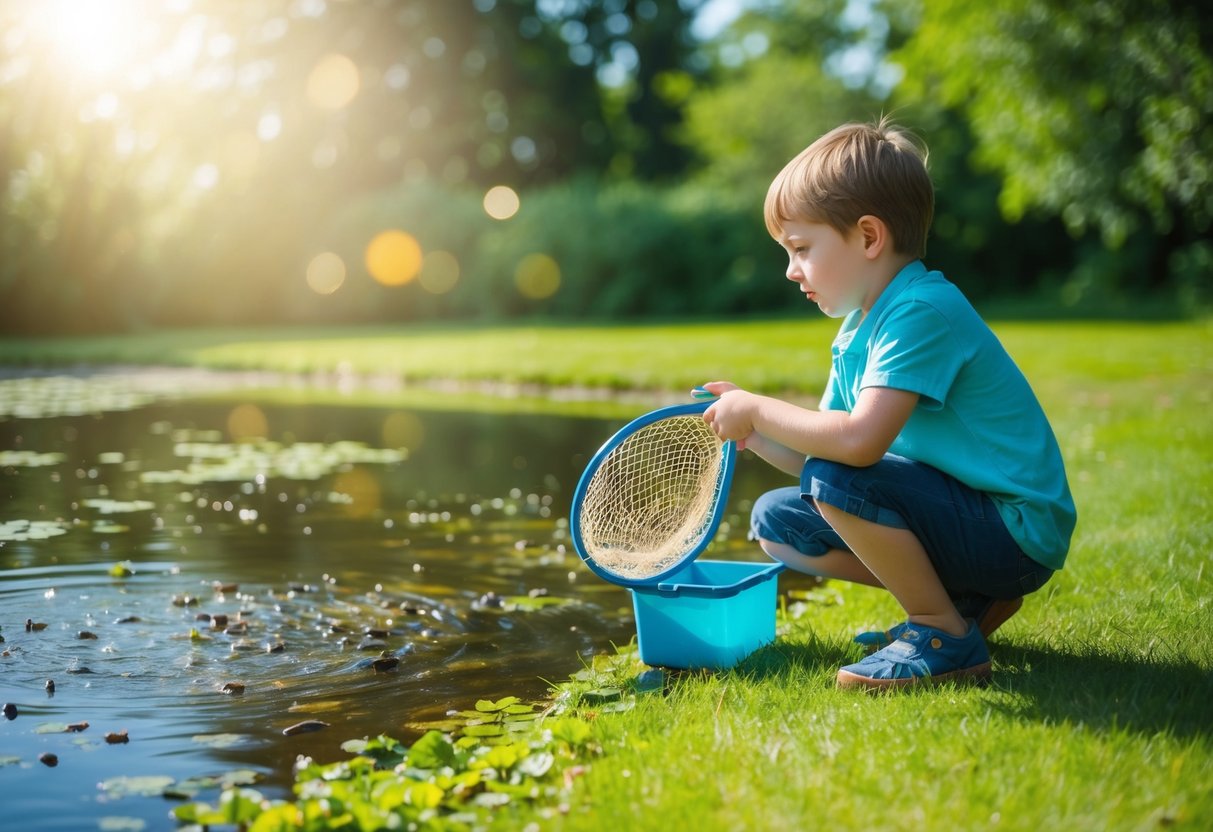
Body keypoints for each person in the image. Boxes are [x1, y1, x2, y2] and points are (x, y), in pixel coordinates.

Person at [701, 118, 1076, 690]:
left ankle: (941, 632)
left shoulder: (920, 311)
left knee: (837, 471)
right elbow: (820, 459)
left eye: (801, 248)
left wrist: (758, 407)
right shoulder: (858, 328)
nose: (789, 268)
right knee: (775, 521)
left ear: (869, 238)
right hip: (963, 519)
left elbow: (856, 444)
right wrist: (752, 435)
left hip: (1014, 532)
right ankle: (963, 604)